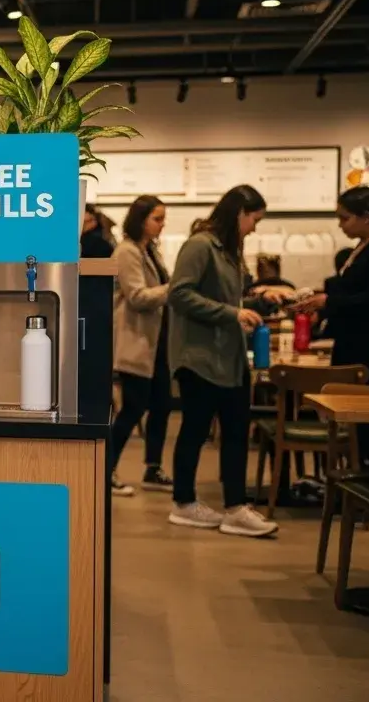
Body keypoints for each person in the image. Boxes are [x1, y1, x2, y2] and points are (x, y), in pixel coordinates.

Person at [165, 185, 282, 537]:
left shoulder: (231, 250)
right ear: (239, 213)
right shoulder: (201, 245)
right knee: (195, 430)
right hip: (199, 358)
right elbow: (179, 293)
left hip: (228, 358)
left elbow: (228, 298)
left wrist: (260, 299)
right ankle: (183, 503)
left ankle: (236, 507)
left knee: (235, 431)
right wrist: (231, 313)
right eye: (254, 220)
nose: (255, 228)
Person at [293, 186, 369, 466]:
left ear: (367, 217)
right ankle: (361, 467)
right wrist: (319, 296)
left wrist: (328, 300)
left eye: (345, 218)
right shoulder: (364, 247)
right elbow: (349, 287)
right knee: (357, 420)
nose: (340, 224)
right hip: (360, 342)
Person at [109, 195, 174, 496]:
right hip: (136, 341)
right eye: (157, 218)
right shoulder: (127, 251)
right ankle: (106, 469)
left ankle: (153, 467)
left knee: (161, 406)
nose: (162, 224)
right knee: (133, 409)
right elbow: (137, 296)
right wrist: (175, 288)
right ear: (141, 219)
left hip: (158, 341)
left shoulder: (150, 251)